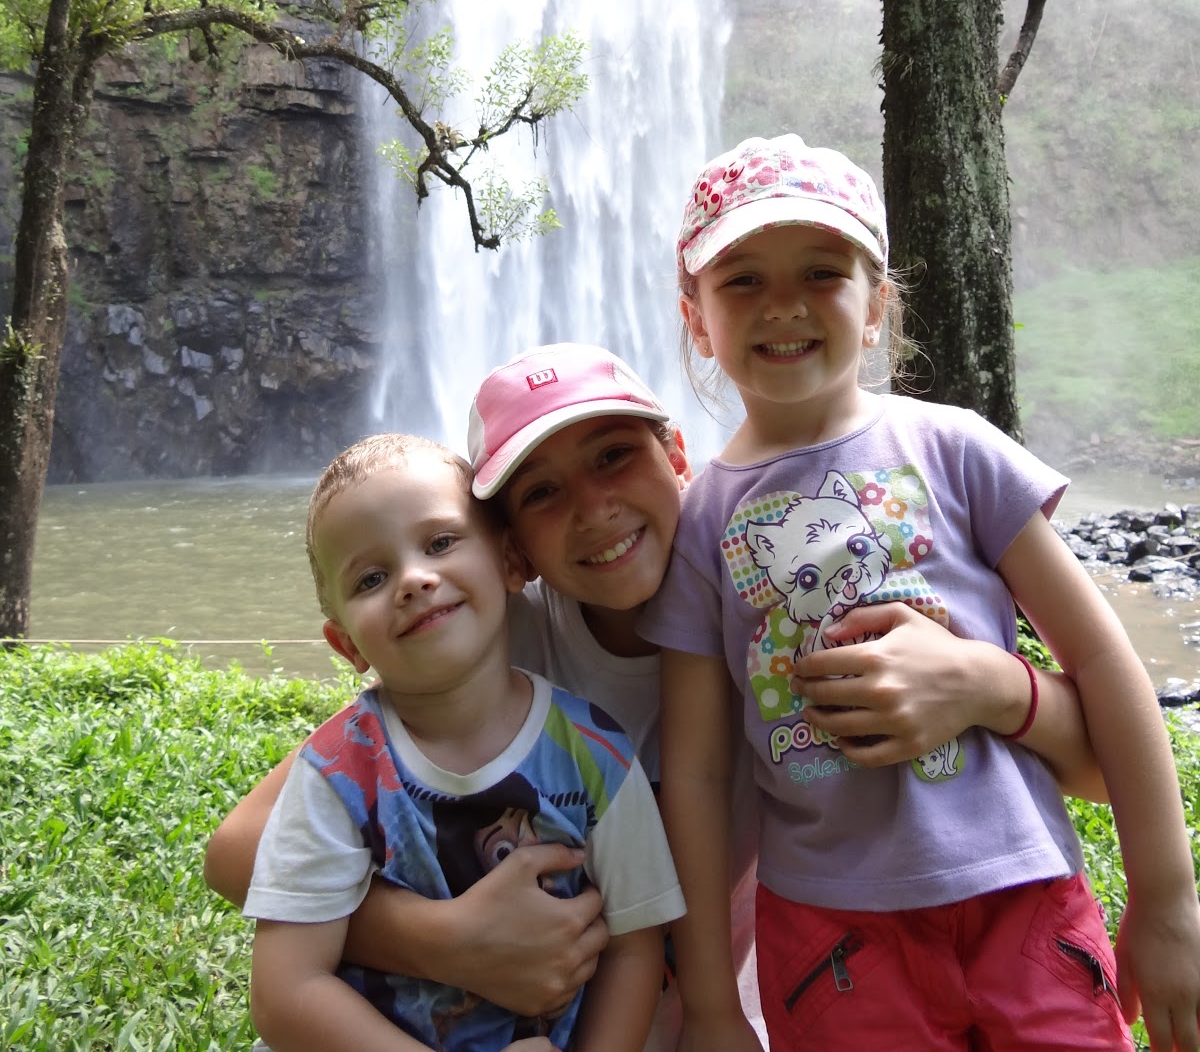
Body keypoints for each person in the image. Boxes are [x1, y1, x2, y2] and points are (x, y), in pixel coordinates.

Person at [206, 345, 1108, 1050]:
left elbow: (1096, 769)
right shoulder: (498, 639)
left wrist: (996, 684)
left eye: (614, 457)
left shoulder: (786, 599)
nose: (595, 508)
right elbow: (238, 850)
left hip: (747, 994)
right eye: (544, 492)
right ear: (511, 548)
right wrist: (439, 942)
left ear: (679, 455)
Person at [642, 132, 1200, 1052]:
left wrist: (1167, 897)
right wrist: (709, 1000)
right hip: (833, 940)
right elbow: (700, 779)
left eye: (822, 271)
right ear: (696, 319)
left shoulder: (956, 447)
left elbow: (1102, 659)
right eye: (742, 280)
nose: (783, 304)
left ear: (876, 308)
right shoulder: (700, 521)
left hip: (1027, 902)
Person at [243, 431, 683, 1052]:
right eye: (371, 578)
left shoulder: (596, 753)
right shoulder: (337, 773)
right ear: (346, 646)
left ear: (509, 562)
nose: (414, 579)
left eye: (440, 543)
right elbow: (287, 991)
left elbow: (636, 947)